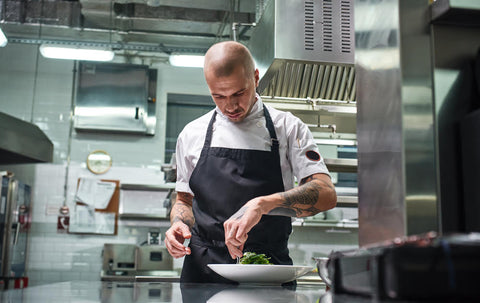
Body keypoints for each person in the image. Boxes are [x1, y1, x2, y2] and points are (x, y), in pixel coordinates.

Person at [164, 41, 337, 284]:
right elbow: (184, 199)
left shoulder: (287, 128)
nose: (230, 106)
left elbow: (326, 194)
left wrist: (263, 204)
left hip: (268, 269)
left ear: (255, 78)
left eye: (239, 93)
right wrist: (178, 224)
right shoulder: (192, 133)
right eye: (219, 96)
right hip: (203, 272)